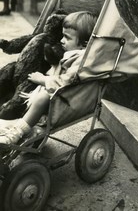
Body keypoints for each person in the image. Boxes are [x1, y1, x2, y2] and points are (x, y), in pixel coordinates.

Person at [0, 11, 97, 145]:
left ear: (84, 44)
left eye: (67, 38)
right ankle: (19, 125)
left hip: (66, 99)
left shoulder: (81, 60)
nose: (61, 41)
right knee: (27, 91)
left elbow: (67, 81)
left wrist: (43, 80)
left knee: (42, 97)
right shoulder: (71, 53)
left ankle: (16, 133)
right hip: (55, 91)